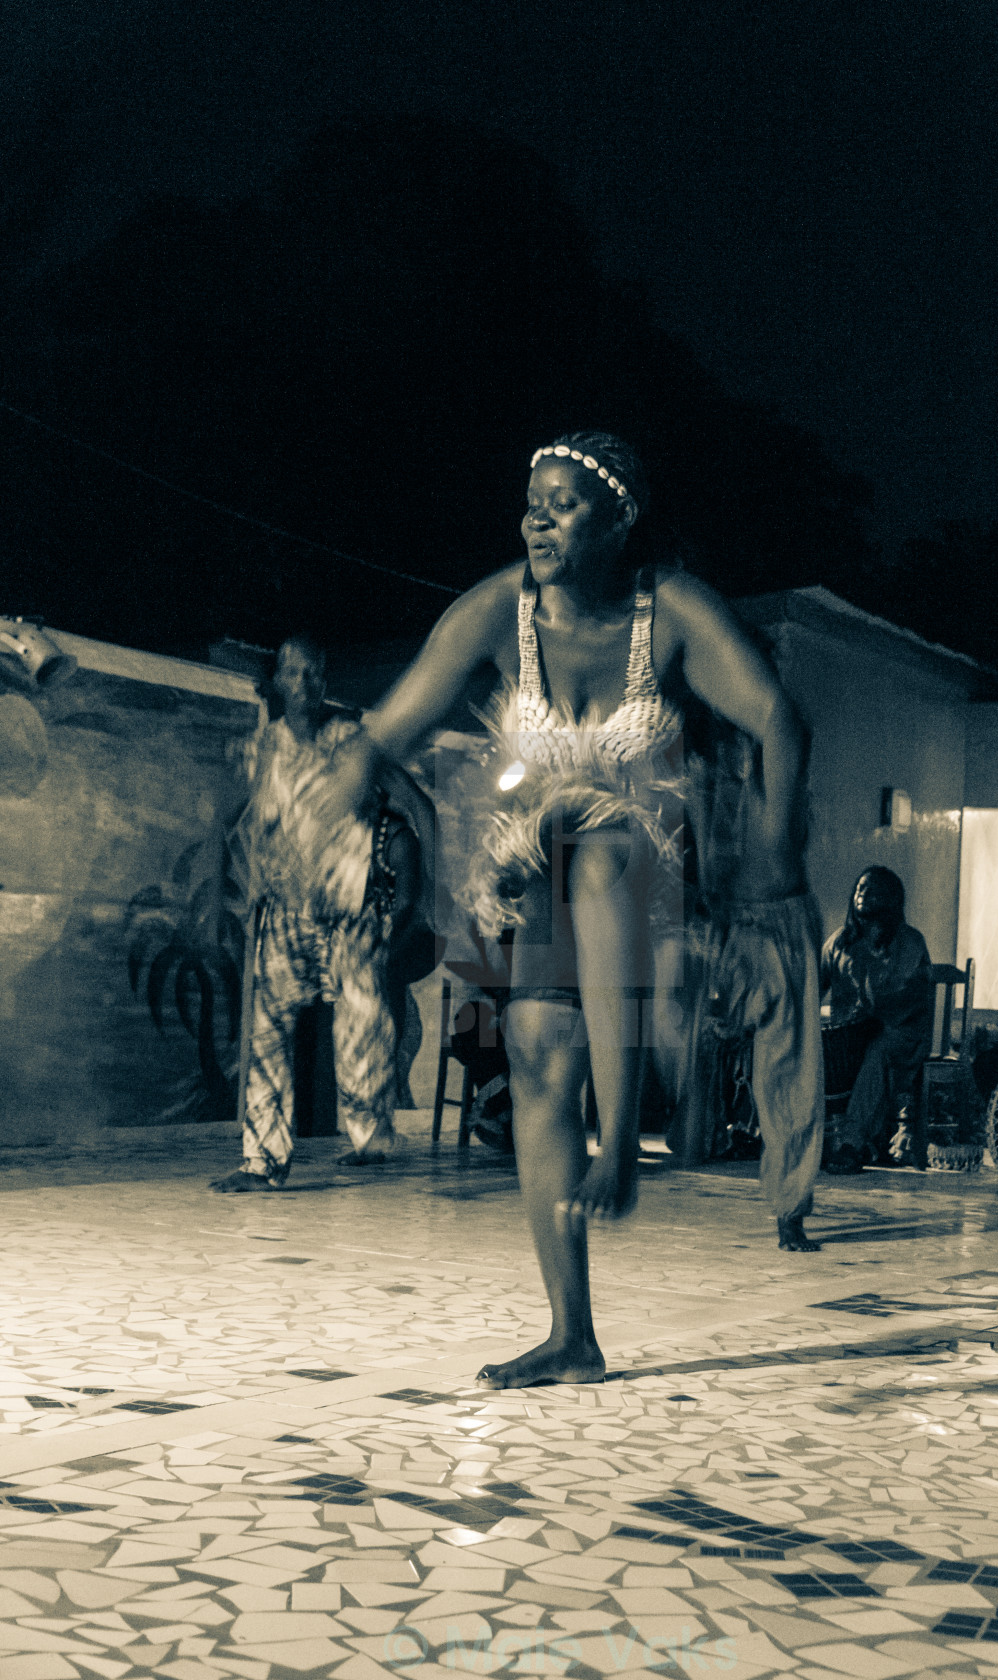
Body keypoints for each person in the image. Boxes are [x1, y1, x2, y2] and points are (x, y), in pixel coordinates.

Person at [311, 432, 809, 1387]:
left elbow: (781, 720)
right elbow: (394, 720)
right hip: (548, 861)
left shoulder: (673, 613)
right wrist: (343, 778)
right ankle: (571, 1332)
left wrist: (774, 857)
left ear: (620, 519)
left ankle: (621, 1140)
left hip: (658, 868)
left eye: (564, 503)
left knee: (596, 844)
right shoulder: (500, 608)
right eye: (530, 501)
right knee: (538, 1044)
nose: (537, 518)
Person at [211, 635, 425, 1192]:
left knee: (362, 1029)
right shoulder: (265, 749)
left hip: (348, 911)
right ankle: (262, 1161)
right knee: (265, 1035)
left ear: (325, 681)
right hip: (283, 911)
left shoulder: (353, 740)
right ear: (277, 682)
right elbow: (239, 821)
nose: (305, 684)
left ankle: (371, 1132)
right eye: (294, 673)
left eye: (316, 673)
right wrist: (234, 888)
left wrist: (423, 895)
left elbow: (416, 804)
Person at [677, 717, 825, 1251]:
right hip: (723, 925)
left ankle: (790, 1208)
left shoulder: (776, 748)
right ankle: (687, 1134)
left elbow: (788, 734)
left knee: (789, 1071)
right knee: (688, 1040)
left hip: (783, 925)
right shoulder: (694, 762)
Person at [819, 866, 933, 1173]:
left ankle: (851, 1145)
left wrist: (867, 1006)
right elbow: (814, 988)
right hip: (852, 1036)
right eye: (859, 888)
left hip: (902, 1035)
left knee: (878, 1051)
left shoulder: (909, 942)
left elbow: (902, 998)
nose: (863, 894)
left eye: (872, 889)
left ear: (891, 898)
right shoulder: (840, 942)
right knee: (812, 1046)